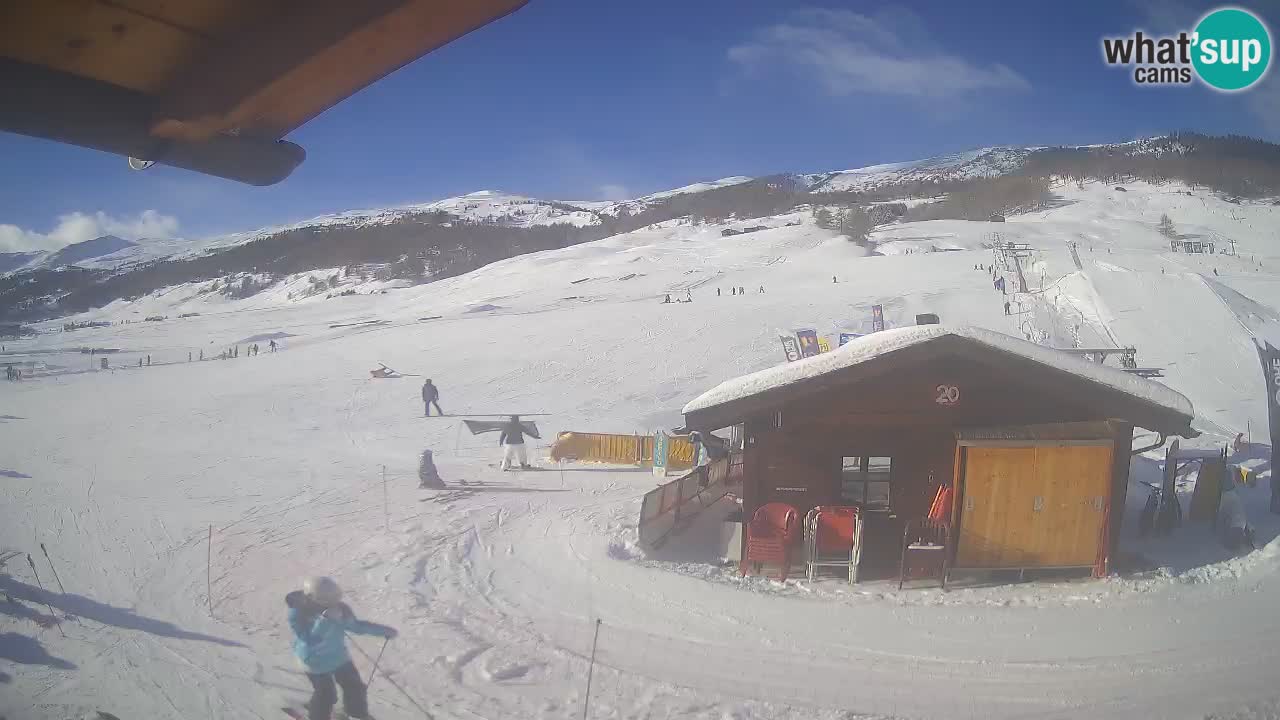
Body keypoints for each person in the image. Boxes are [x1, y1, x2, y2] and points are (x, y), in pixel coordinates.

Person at [286, 577, 396, 720]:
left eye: (334, 599)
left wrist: (382, 630)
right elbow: (309, 639)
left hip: (337, 656)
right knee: (326, 694)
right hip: (314, 661)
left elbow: (355, 626)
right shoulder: (299, 612)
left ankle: (357, 714)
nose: (333, 603)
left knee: (355, 686)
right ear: (313, 598)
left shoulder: (339, 609)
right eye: (328, 600)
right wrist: (324, 621)